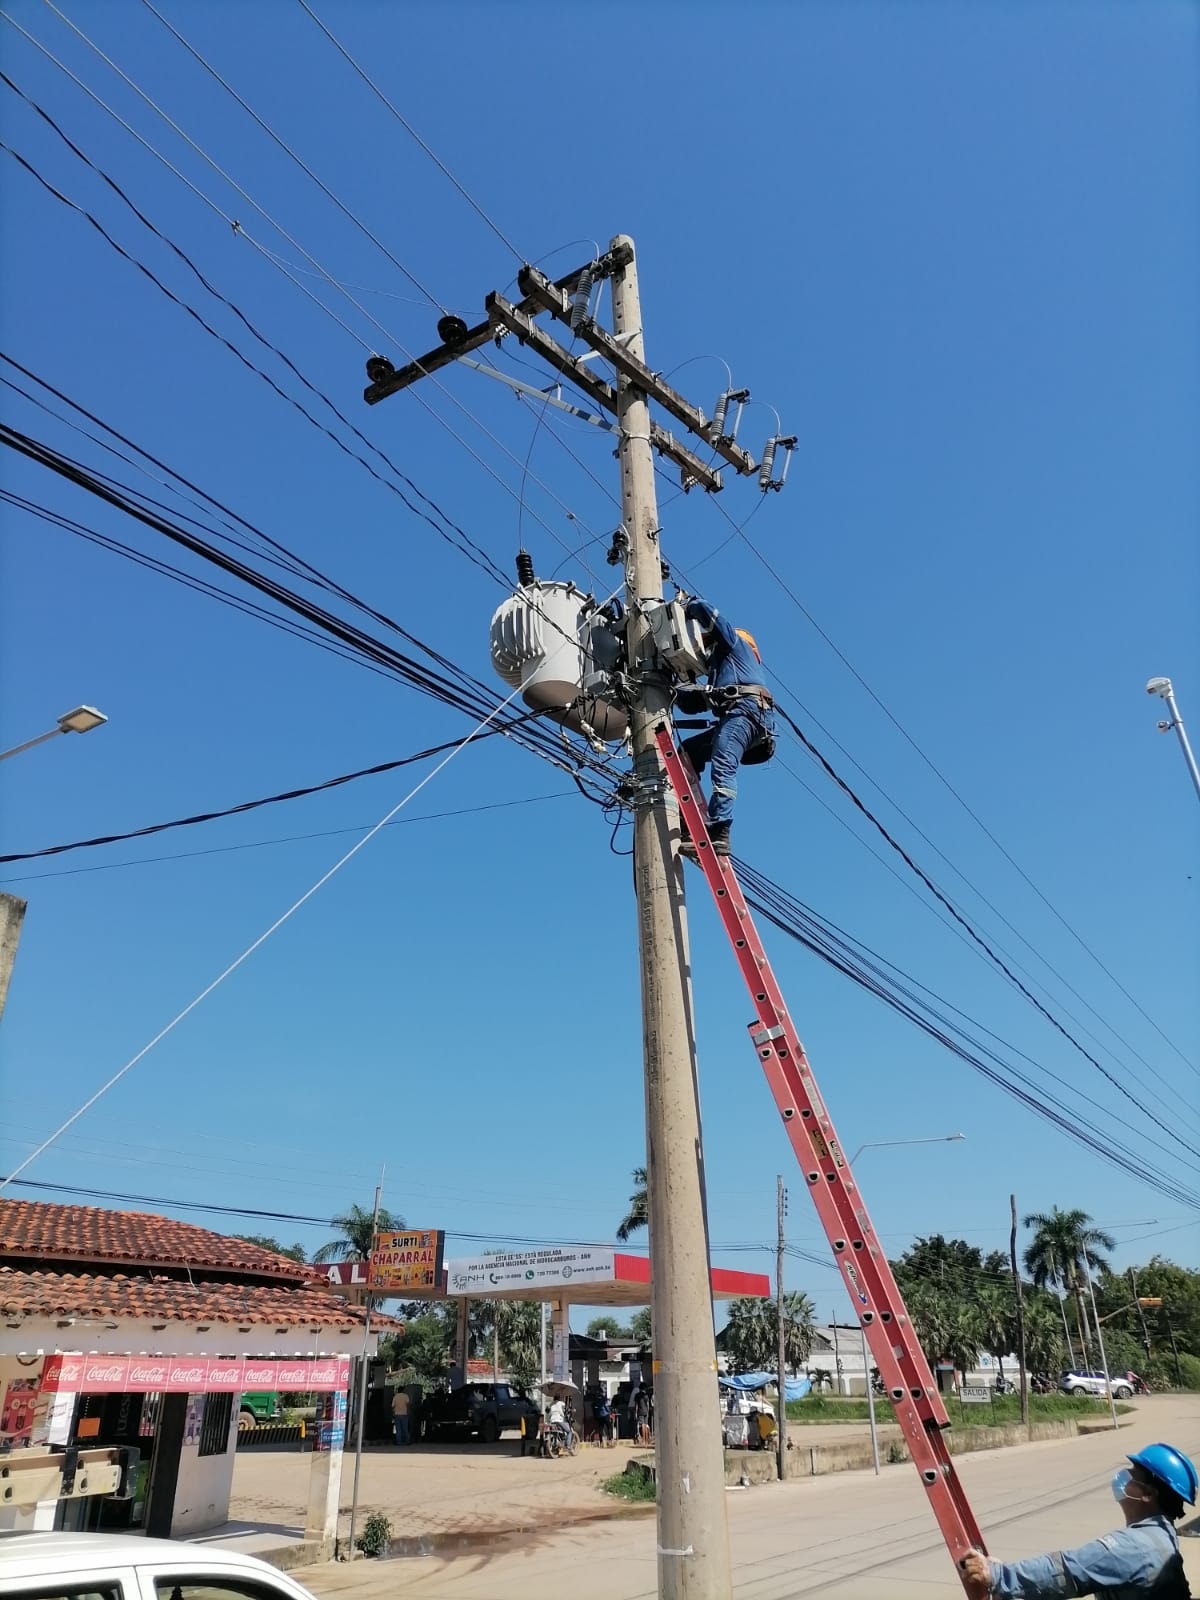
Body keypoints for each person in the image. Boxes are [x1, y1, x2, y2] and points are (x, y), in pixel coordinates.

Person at [960, 1442, 1196, 1598]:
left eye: (1132, 1475)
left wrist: (999, 1575)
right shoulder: (1160, 1535)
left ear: (1147, 1494)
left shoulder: (1136, 1547)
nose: (1123, 1478)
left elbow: (1068, 1569)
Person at [675, 595, 775, 860]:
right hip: (742, 716)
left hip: (746, 712)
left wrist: (689, 606)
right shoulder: (722, 672)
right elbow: (692, 702)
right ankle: (689, 825)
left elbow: (713, 616)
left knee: (724, 762)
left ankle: (719, 830)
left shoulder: (736, 645)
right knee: (688, 752)